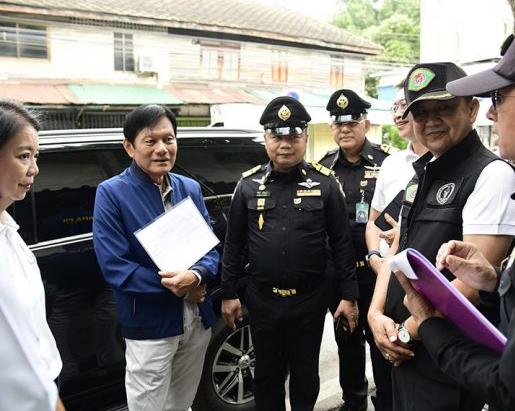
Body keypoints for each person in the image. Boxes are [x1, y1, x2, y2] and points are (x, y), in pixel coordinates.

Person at [394, 20, 515, 411]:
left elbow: (511, 387)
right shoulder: (423, 171)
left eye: (499, 98)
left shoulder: (489, 173)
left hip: (450, 367)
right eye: (420, 112)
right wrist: (494, 282)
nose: (492, 113)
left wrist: (423, 325)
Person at [220, 96, 358, 411]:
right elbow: (234, 244)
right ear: (266, 139)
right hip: (262, 300)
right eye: (277, 136)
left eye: (293, 136)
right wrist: (228, 293)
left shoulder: (325, 184)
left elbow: (341, 244)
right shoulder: (248, 185)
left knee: (305, 374)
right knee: (266, 375)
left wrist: (348, 296)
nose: (285, 145)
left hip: (309, 301)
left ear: (305, 138)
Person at [93, 104, 219, 411]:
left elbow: (210, 250)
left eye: (169, 139)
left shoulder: (189, 188)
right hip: (150, 325)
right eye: (151, 141)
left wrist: (197, 276)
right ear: (129, 147)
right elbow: (116, 266)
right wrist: (180, 287)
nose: (162, 148)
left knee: (182, 404)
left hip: (196, 320)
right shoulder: (111, 193)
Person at [318, 89, 392, 411]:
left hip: (377, 274)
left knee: (382, 344)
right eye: (339, 124)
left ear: (366, 124)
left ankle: (387, 402)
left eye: (352, 123)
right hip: (339, 274)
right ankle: (354, 403)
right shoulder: (323, 168)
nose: (345, 129)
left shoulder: (388, 164)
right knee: (346, 344)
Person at [0, 99, 65, 411]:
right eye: (24, 155)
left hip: (48, 375)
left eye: (35, 156)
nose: (34, 169)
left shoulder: (10, 230)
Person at [365, 81, 427, 271]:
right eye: (394, 108)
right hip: (385, 269)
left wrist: (404, 237)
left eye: (404, 106)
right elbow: (373, 221)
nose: (398, 114)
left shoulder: (446, 164)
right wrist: (374, 256)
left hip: (423, 272)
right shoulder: (391, 163)